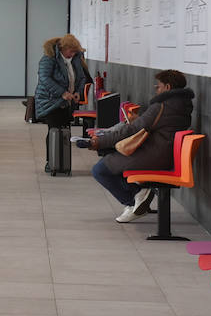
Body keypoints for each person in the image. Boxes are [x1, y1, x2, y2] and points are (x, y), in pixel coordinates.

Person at [82, 69, 194, 223]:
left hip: (154, 154)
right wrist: (139, 120)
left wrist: (99, 141)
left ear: (167, 87)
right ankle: (139, 196)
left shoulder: (161, 106)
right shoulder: (182, 105)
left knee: (100, 169)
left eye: (159, 86)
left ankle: (134, 202)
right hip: (164, 153)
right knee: (113, 162)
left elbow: (131, 130)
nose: (156, 89)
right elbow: (158, 126)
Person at [33, 33, 90, 170]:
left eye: (75, 51)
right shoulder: (49, 58)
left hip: (66, 101)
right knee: (54, 129)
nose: (73, 54)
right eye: (71, 51)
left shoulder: (76, 58)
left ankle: (61, 161)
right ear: (63, 49)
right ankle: (51, 162)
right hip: (49, 101)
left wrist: (77, 92)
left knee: (65, 130)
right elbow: (45, 79)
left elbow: (82, 78)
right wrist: (62, 93)